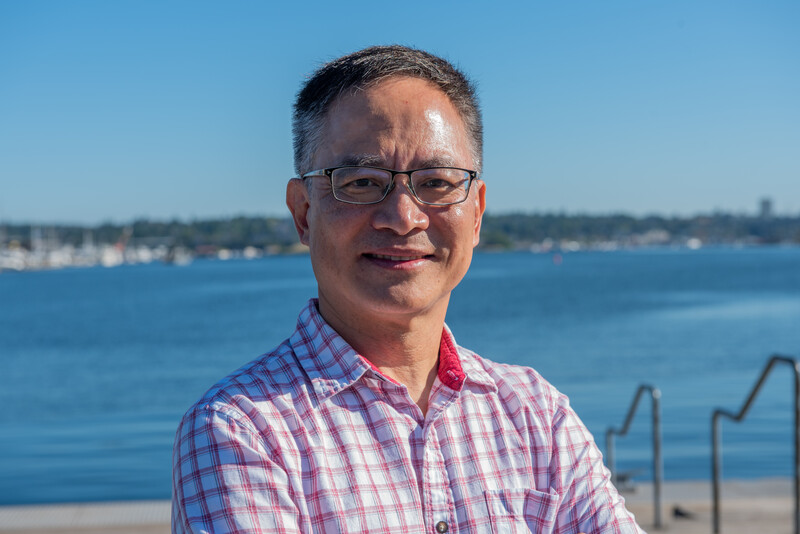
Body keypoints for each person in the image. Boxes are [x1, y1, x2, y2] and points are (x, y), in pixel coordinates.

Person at [172, 45, 644, 533]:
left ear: (477, 212)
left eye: (437, 183)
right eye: (359, 183)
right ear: (304, 212)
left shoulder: (534, 415)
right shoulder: (243, 430)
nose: (403, 217)